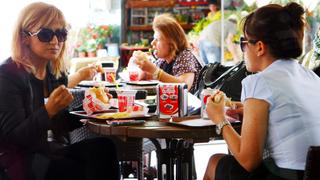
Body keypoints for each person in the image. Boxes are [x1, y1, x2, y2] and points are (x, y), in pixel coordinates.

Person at [0, 2, 119, 180]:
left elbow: (59, 124)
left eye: (61, 34)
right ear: (25, 37)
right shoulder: (8, 75)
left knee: (104, 148)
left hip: (44, 152)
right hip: (17, 163)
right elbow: (13, 140)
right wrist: (49, 111)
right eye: (45, 34)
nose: (55, 42)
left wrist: (92, 110)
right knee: (82, 169)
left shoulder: (53, 72)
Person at [204, 2, 320, 180]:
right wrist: (249, 109)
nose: (242, 50)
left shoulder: (259, 82)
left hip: (287, 176)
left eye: (244, 42)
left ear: (259, 47)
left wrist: (219, 119)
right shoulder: (310, 76)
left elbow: (248, 160)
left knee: (214, 163)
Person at [131, 14, 202, 94]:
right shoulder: (163, 61)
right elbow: (145, 77)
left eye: (157, 39)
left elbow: (184, 86)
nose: (152, 43)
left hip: (189, 105)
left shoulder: (185, 55)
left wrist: (154, 71)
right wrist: (141, 64)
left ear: (171, 42)